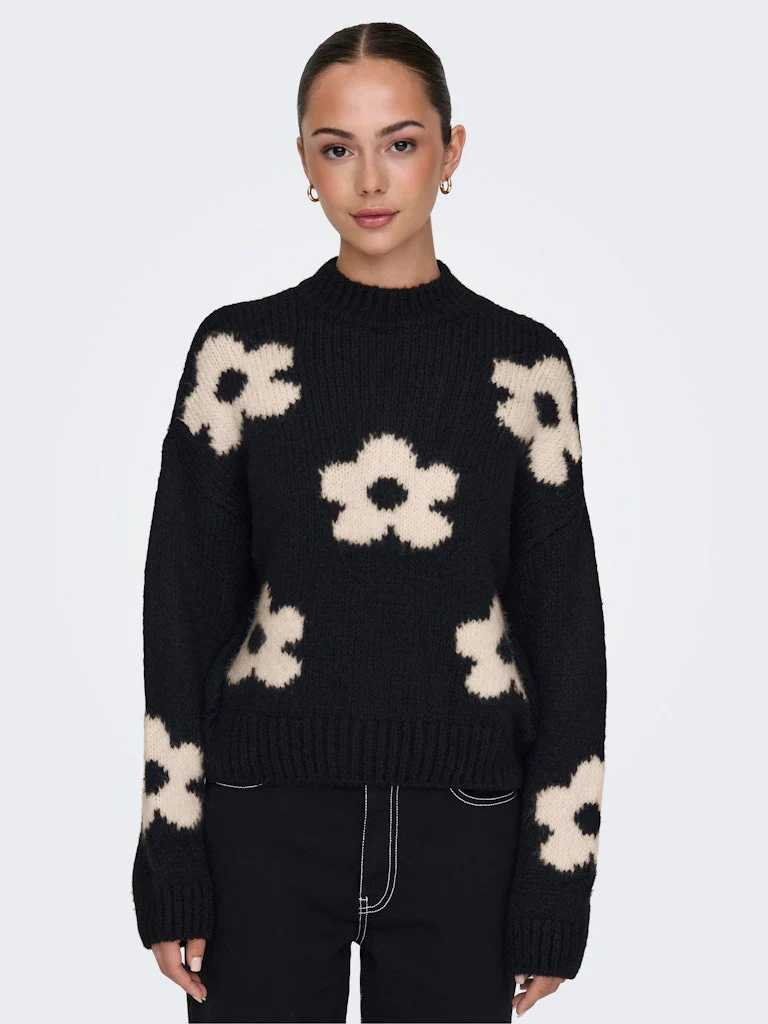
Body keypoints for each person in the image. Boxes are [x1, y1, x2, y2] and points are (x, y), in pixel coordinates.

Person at [131, 20, 608, 1024]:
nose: (371, 179)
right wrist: (170, 855)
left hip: (467, 830)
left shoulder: (526, 370)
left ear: (451, 151)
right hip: (261, 822)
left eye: (401, 142)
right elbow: (180, 615)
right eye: (337, 147)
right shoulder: (238, 357)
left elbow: (568, 635)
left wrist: (558, 883)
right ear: (305, 163)